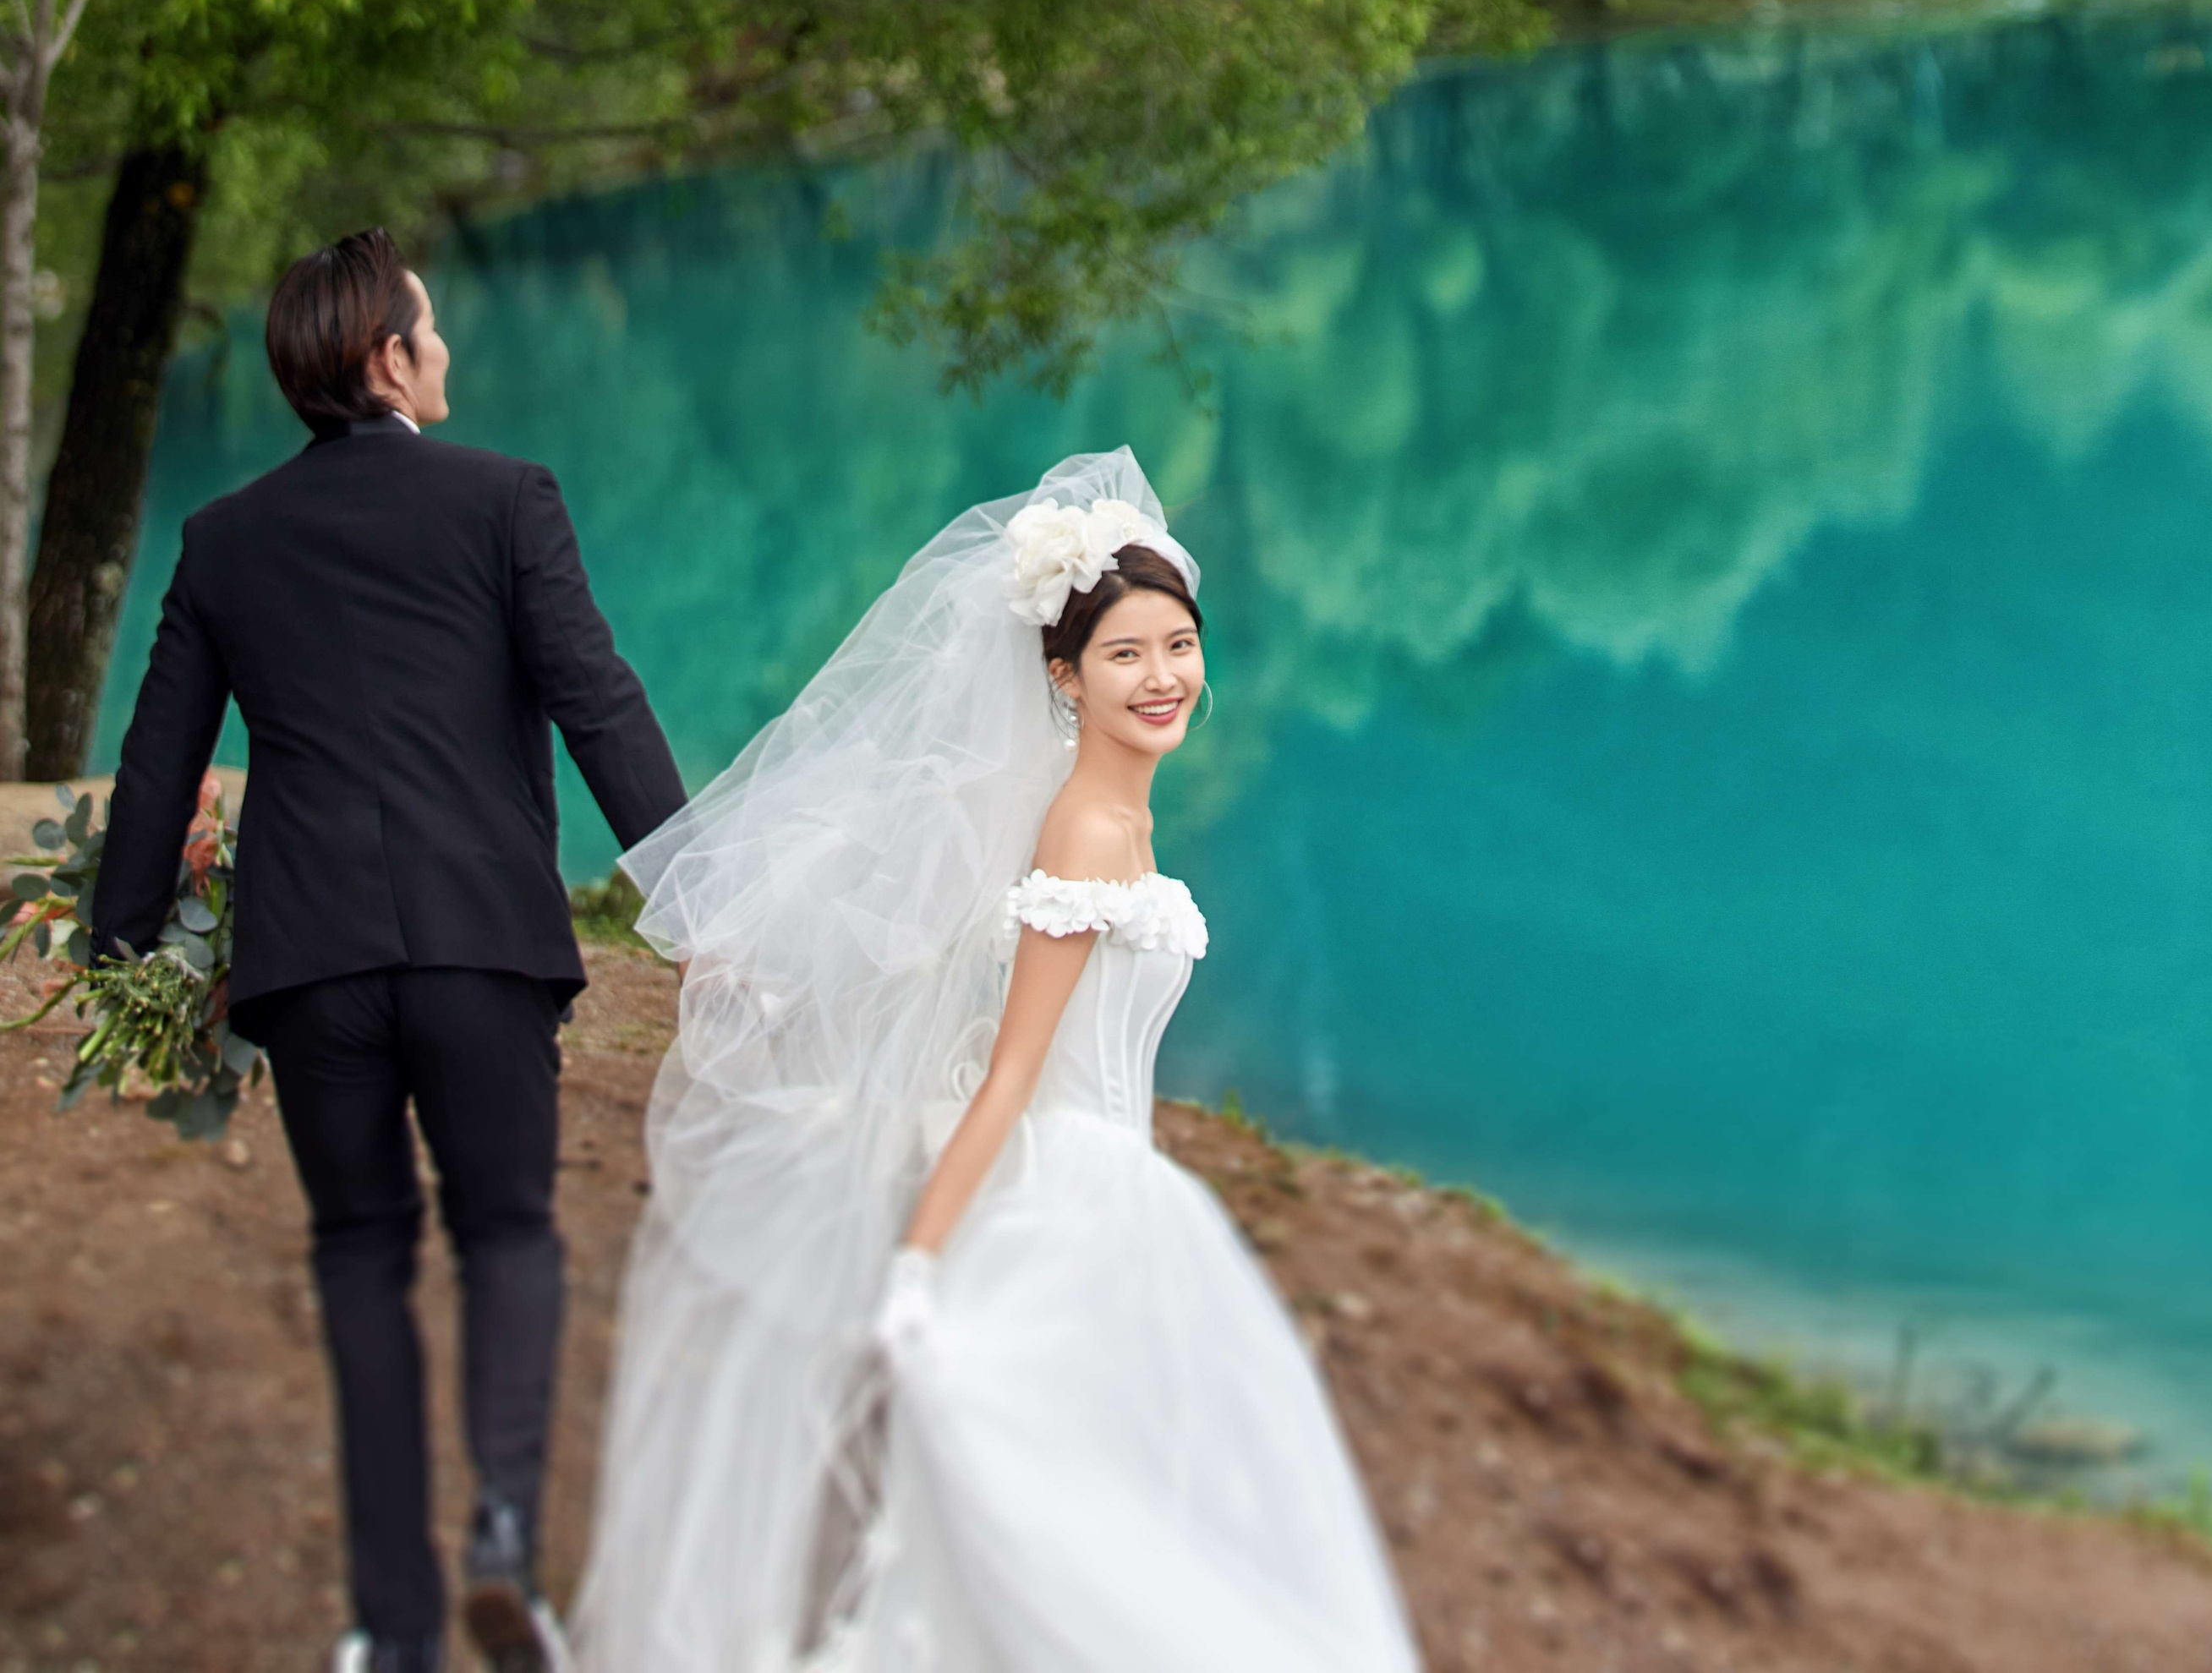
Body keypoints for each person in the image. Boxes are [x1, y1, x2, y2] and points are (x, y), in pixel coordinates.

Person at [573, 449, 1420, 1673]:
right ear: (1066, 680)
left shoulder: (1125, 817)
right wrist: (918, 1266)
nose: (1164, 676)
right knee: (1072, 1549)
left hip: (1127, 1199)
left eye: (1178, 645)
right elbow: (1013, 1073)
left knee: (1129, 1526)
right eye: (1126, 655)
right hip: (1059, 1203)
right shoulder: (1080, 830)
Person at [92, 228, 687, 1673]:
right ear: (387, 359)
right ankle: (499, 1532)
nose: (445, 356)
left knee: (360, 1252)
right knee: (507, 1233)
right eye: (430, 334)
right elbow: (594, 702)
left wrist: (123, 947)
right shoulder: (504, 501)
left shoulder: (226, 539)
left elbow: (158, 761)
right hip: (482, 943)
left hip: (312, 968)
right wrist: (700, 891)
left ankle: (395, 1628)